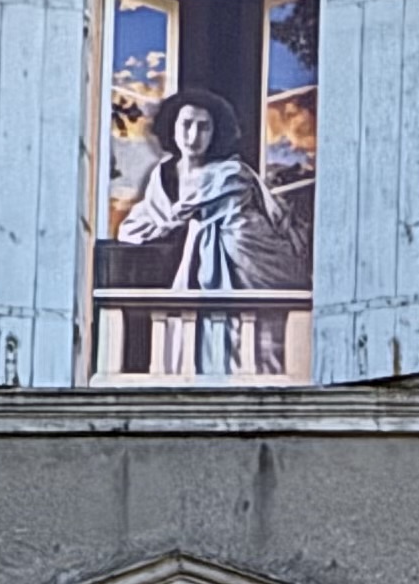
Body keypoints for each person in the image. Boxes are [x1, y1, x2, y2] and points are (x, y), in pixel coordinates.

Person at [118, 89, 310, 375]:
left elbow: (247, 231)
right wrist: (169, 225)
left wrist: (214, 227)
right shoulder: (162, 177)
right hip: (186, 283)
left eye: (203, 127)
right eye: (186, 124)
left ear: (215, 132)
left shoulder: (230, 176)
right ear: (173, 127)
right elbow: (138, 224)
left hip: (235, 273)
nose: (193, 135)